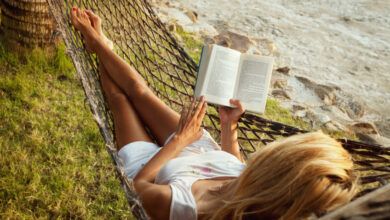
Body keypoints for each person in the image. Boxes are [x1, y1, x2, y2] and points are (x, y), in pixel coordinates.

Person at [70, 8, 359, 220]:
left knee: (120, 98)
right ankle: (101, 45)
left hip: (152, 165)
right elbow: (237, 167)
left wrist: (179, 141)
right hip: (200, 153)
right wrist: (228, 126)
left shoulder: (194, 210)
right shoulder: (259, 188)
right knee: (140, 91)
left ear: (275, 178)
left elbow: (139, 189)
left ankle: (98, 46)